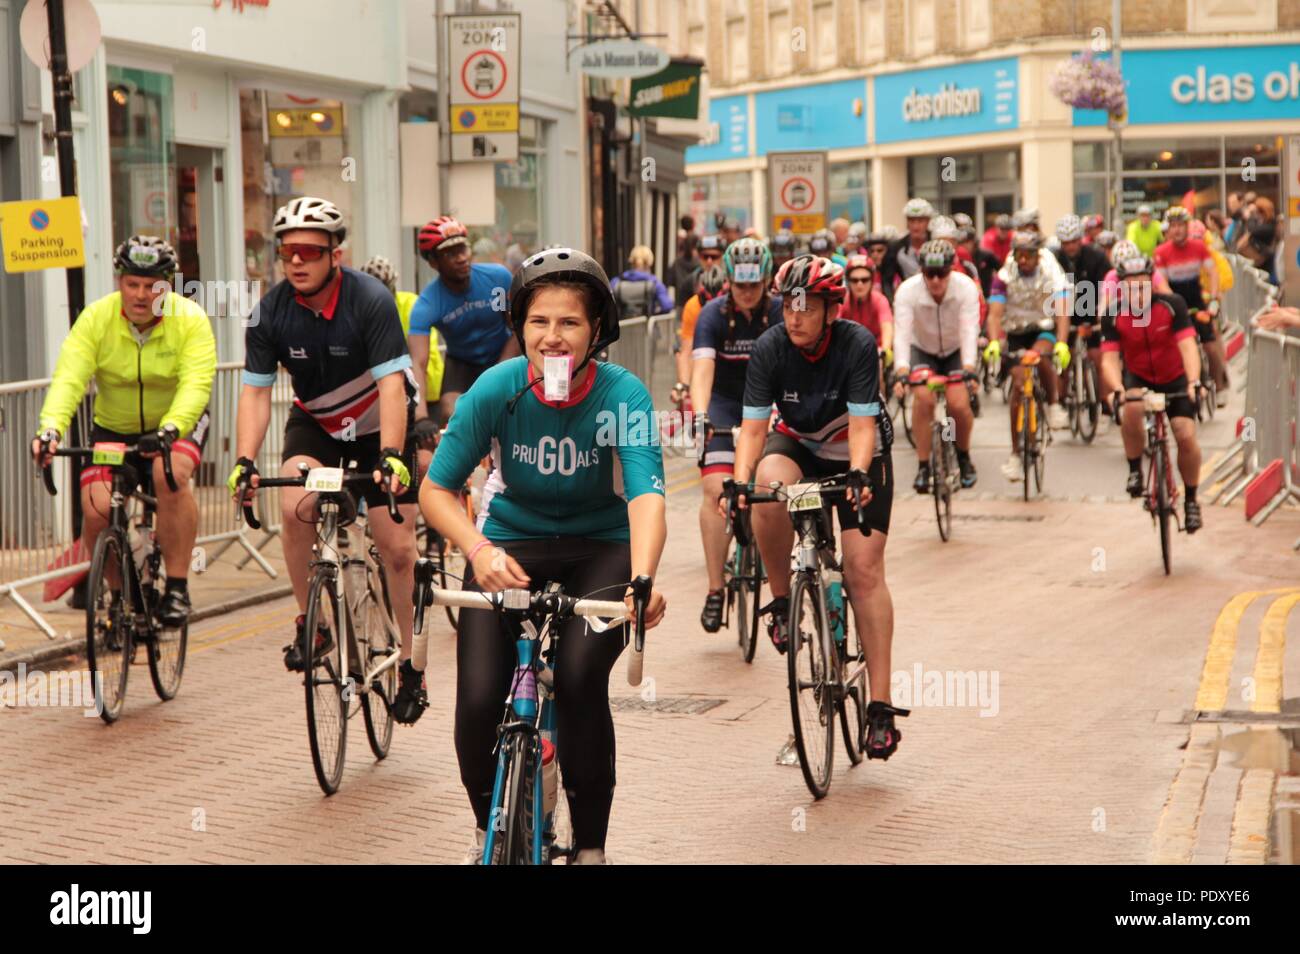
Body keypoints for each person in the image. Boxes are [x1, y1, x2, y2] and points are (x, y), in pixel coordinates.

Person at [420, 246, 667, 865]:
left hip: (600, 549)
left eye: (569, 323)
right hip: (508, 547)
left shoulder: (624, 395)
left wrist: (642, 578)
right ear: (521, 327)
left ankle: (591, 847)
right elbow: (436, 489)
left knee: (582, 678)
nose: (552, 337)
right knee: (479, 697)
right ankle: (488, 828)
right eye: (538, 321)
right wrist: (476, 549)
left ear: (596, 332)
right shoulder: (497, 388)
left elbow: (645, 497)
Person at [227, 197, 424, 723]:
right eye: (289, 250)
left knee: (398, 547)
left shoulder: (370, 299)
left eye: (310, 251)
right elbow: (253, 394)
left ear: (335, 255)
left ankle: (410, 663)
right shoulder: (269, 311)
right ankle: (311, 625)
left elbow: (390, 384)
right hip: (316, 424)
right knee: (294, 505)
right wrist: (245, 461)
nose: (297, 261)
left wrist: (389, 456)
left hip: (380, 423)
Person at [729, 254, 907, 759]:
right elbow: (756, 429)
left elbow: (864, 427)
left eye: (807, 306)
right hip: (800, 445)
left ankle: (879, 707)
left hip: (857, 450)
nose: (795, 316)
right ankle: (784, 601)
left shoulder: (857, 344)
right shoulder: (770, 347)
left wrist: (856, 475)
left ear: (832, 308)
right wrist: (739, 483)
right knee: (766, 484)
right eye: (788, 305)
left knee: (863, 570)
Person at [33, 235, 216, 627]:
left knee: (170, 476)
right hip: (114, 426)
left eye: (152, 286)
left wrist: (170, 429)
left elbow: (196, 384)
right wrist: (50, 430)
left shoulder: (190, 320)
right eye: (132, 284)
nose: (141, 294)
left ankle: (179, 589)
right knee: (97, 510)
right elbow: (69, 378)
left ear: (168, 286)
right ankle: (121, 597)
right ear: (120, 283)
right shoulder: (97, 319)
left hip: (176, 421)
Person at [691, 238, 782, 632]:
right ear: (729, 282)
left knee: (772, 489)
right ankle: (715, 589)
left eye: (754, 285)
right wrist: (698, 414)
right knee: (715, 492)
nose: (746, 293)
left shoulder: (780, 312)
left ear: (766, 282)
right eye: (739, 285)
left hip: (772, 402)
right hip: (726, 405)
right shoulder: (712, 314)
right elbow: (703, 371)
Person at [1099, 252, 1204, 533]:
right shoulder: (1113, 314)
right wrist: (1118, 389)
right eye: (1131, 286)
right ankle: (1135, 470)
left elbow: (1188, 346)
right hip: (1139, 376)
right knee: (1131, 408)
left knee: (1184, 434)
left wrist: (1193, 381)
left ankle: (1192, 500)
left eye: (1143, 284)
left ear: (1152, 283)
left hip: (1175, 377)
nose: (1138, 291)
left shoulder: (1172, 306)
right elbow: (1109, 360)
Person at [408, 216, 518, 427]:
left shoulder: (498, 278)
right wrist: (421, 417)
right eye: (450, 253)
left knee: (511, 409)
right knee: (451, 413)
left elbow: (517, 329)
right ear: (433, 261)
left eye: (463, 249)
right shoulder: (427, 304)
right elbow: (419, 363)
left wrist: (499, 371)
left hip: (502, 353)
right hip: (461, 362)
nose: (461, 258)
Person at [891, 240, 981, 492]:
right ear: (921, 271)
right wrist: (901, 370)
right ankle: (923, 466)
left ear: (951, 270)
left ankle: (962, 455)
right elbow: (902, 334)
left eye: (941, 273)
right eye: (929, 274)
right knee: (924, 400)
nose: (935, 280)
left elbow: (968, 330)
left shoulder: (965, 288)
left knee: (958, 404)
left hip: (956, 350)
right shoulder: (907, 291)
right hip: (923, 349)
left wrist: (970, 367)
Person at [984, 230, 1072, 480]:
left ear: (1038, 255)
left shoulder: (1051, 270)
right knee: (1019, 387)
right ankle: (1015, 454)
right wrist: (993, 341)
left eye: (1028, 255)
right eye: (1019, 254)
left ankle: (1054, 404)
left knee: (1039, 355)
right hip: (1015, 332)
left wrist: (1062, 343)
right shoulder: (1004, 275)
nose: (1023, 260)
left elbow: (1063, 310)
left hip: (1043, 328)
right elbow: (994, 313)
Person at [362, 255, 445, 442]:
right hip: (387, 393)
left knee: (430, 447)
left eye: (387, 289)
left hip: (426, 390)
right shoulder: (364, 311)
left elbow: (421, 354)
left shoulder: (412, 304)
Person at [1154, 206, 1228, 407]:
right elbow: (1162, 283)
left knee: (1210, 344)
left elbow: (1212, 273)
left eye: (1181, 225)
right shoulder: (1161, 252)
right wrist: (1174, 307)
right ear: (1168, 229)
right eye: (1173, 226)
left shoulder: (1199, 247)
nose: (1177, 230)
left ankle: (1219, 387)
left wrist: (1213, 299)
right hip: (1174, 300)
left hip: (1196, 299)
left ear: (1187, 227)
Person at [1052, 214, 1111, 383]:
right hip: (1063, 314)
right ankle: (1061, 398)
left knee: (1096, 356)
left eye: (1074, 241)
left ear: (1080, 239)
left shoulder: (1097, 257)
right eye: (1065, 242)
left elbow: (1107, 288)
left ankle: (1104, 403)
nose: (1070, 247)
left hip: (1091, 313)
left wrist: (1101, 315)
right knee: (1061, 358)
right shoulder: (1054, 260)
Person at [672, 262, 727, 407]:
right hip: (700, 355)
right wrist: (683, 385)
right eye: (707, 302)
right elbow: (686, 351)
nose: (712, 309)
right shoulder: (692, 305)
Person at [838, 253, 894, 369]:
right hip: (848, 353)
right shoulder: (842, 301)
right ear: (848, 281)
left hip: (876, 352)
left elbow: (887, 327)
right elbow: (833, 327)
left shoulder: (880, 300)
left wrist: (885, 350)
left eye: (865, 280)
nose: (859, 284)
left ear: (872, 281)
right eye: (854, 280)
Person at [880, 198, 933, 298]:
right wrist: (892, 303)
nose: (915, 226)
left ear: (928, 221)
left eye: (920, 221)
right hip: (908, 299)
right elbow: (886, 281)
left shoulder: (937, 243)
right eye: (911, 220)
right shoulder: (895, 247)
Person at [611, 245, 674, 319]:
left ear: (632, 261)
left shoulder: (616, 282)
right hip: (646, 329)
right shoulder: (655, 283)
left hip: (622, 328)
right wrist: (654, 316)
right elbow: (667, 306)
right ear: (649, 262)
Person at [1236, 196, 1279, 285]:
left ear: (1263, 212)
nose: (1256, 215)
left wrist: (1249, 217)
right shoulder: (1262, 223)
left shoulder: (1270, 226)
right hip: (1261, 264)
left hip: (1268, 265)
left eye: (1257, 212)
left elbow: (1253, 231)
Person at [669, 232, 701, 317]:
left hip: (681, 305)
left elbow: (670, 282)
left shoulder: (677, 263)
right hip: (698, 306)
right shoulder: (701, 265)